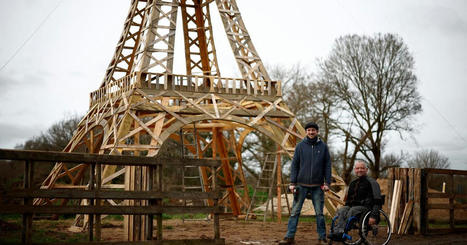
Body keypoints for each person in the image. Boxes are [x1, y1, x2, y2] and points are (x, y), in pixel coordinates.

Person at [279, 122, 332, 245]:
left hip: (318, 186)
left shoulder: (323, 147)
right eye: (308, 130)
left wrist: (327, 183)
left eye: (313, 130)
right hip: (300, 185)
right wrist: (292, 182)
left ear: (317, 132)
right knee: (294, 212)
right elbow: (295, 165)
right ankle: (289, 237)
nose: (311, 132)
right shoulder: (300, 146)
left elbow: (327, 166)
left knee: (319, 213)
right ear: (306, 132)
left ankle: (322, 238)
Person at [328, 160, 382, 241]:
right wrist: (345, 207)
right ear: (355, 170)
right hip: (353, 207)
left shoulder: (372, 182)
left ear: (366, 170)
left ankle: (342, 232)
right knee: (342, 210)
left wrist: (374, 216)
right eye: (357, 168)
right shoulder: (353, 183)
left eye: (362, 168)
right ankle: (337, 232)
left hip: (367, 208)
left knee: (353, 210)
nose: (359, 170)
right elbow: (348, 200)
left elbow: (378, 200)